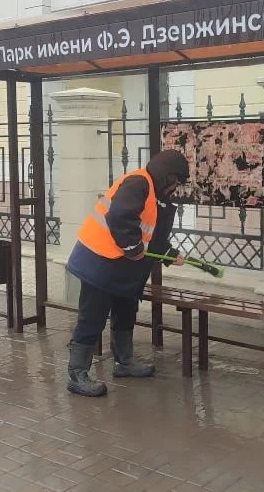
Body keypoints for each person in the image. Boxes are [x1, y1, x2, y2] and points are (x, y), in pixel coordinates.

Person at [65, 149, 190, 397]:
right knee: (92, 318)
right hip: (99, 263)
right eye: (175, 182)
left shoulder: (155, 196)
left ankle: (124, 362)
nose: (175, 188)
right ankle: (77, 374)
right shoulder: (138, 183)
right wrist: (133, 248)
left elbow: (151, 235)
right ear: (166, 175)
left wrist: (169, 253)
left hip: (122, 269)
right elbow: (119, 217)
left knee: (125, 311)